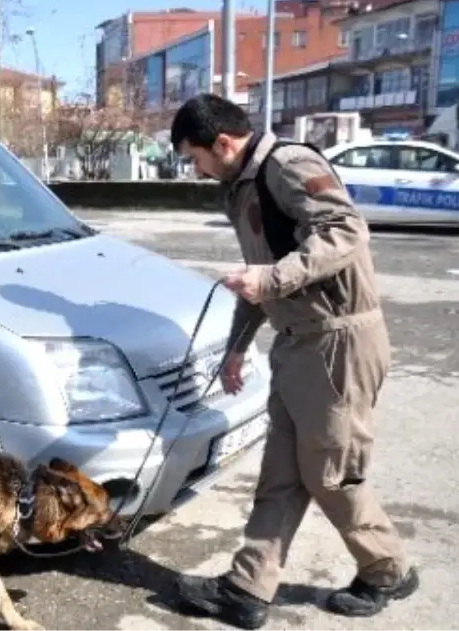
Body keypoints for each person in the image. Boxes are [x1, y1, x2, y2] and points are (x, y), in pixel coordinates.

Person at [166, 94, 418, 629]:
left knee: (330, 473)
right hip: (297, 343)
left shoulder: (289, 164)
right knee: (279, 473)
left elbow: (346, 232)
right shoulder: (241, 188)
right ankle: (247, 588)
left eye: (195, 157)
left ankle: (386, 569)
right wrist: (237, 348)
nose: (195, 169)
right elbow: (259, 278)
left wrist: (271, 280)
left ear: (224, 143)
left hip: (337, 343)